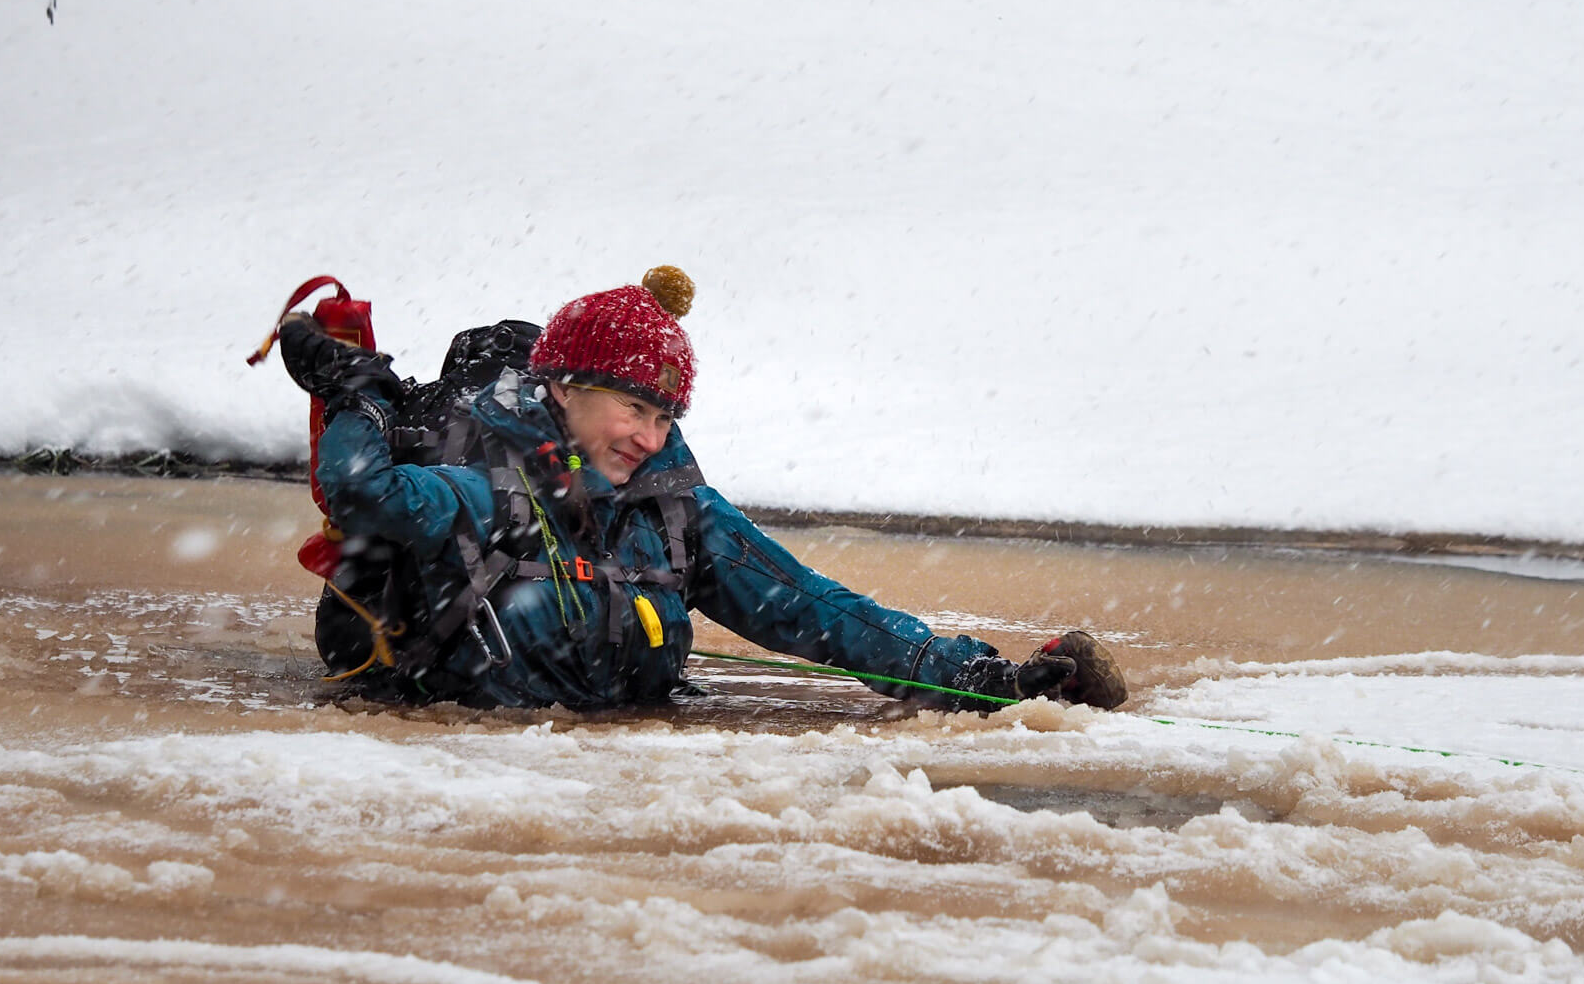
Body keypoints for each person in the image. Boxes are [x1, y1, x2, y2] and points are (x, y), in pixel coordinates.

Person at [273, 266, 1126, 713]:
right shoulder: (487, 484)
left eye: (665, 414)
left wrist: (988, 682)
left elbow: (821, 613)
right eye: (634, 408)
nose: (650, 437)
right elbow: (361, 491)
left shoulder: (677, 510)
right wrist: (357, 391)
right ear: (564, 389)